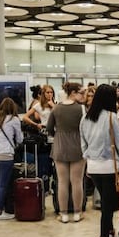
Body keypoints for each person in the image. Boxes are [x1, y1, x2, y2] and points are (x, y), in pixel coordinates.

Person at [80, 84, 119, 237]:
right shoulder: (111, 117)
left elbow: (83, 144)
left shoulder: (86, 118)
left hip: (92, 166)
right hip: (109, 165)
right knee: (108, 204)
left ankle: (109, 230)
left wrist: (87, 159)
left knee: (106, 200)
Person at [46, 82, 86, 223]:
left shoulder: (56, 108)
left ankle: (63, 214)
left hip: (60, 146)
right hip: (77, 147)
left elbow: (49, 128)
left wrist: (58, 134)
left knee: (62, 181)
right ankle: (77, 212)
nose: (84, 95)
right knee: (77, 181)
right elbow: (85, 129)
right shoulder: (81, 109)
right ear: (73, 92)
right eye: (81, 92)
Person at [0, 98, 23, 220]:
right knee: (2, 184)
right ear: (13, 107)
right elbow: (20, 139)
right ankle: (0, 212)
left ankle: (6, 209)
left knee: (1, 183)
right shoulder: (14, 119)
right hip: (5, 155)